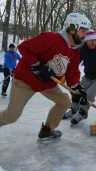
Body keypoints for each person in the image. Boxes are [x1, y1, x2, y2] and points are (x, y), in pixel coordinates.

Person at [0, 12, 91, 140]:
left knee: (64, 102)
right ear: (72, 29)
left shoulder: (75, 51)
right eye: (82, 31)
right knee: (12, 115)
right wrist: (37, 65)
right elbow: (24, 47)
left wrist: (77, 87)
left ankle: (47, 130)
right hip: (26, 81)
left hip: (47, 84)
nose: (84, 35)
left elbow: (72, 73)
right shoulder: (50, 38)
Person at [63, 30, 96, 125]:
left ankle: (83, 113)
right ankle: (74, 110)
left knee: (88, 95)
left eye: (94, 40)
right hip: (88, 77)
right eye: (90, 40)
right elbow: (75, 62)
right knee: (76, 91)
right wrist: (65, 73)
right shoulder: (83, 49)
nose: (93, 42)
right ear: (86, 41)